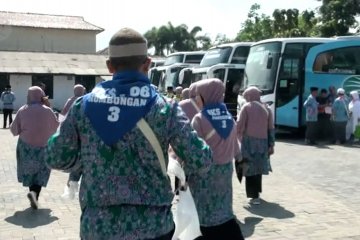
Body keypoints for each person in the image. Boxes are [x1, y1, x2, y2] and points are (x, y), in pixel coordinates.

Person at [45, 28, 212, 240]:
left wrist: (86, 158)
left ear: (109, 66)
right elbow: (201, 159)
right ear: (148, 63)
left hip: (99, 227)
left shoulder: (82, 107)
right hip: (153, 227)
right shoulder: (166, 108)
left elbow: (54, 157)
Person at [190, 78, 244, 240]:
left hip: (204, 175)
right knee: (224, 210)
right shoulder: (228, 118)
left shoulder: (199, 119)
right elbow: (236, 148)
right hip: (225, 172)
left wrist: (184, 175)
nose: (196, 100)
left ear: (206, 96)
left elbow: (193, 152)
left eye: (198, 96)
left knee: (204, 215)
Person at [10, 86, 59, 209]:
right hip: (44, 146)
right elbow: (55, 127)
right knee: (41, 172)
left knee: (29, 170)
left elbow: (14, 130)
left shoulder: (23, 110)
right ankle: (35, 195)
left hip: (26, 147)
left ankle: (32, 193)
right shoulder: (48, 110)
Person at [237, 86, 275, 205]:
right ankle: (257, 192)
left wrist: (238, 136)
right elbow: (271, 128)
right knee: (258, 168)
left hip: (249, 142)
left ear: (249, 96)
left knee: (249, 168)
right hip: (263, 142)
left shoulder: (247, 107)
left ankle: (254, 196)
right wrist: (271, 144)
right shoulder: (267, 108)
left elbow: (240, 125)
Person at [60, 84, 86, 199]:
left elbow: (63, 114)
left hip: (73, 134)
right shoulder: (86, 100)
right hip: (85, 134)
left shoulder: (70, 101)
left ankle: (72, 180)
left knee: (76, 158)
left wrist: (60, 128)